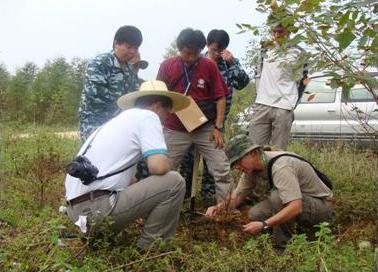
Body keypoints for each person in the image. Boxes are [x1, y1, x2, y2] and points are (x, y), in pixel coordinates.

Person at [65, 80, 190, 250]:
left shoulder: (117, 122)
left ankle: (99, 239)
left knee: (138, 185)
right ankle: (151, 250)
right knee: (174, 181)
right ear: (157, 107)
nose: (166, 120)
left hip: (77, 214)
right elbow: (158, 167)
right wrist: (167, 159)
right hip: (97, 210)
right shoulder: (149, 117)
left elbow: (128, 182)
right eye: (167, 113)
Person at [206, 134, 333, 251]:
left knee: (277, 198)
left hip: (320, 207)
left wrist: (264, 224)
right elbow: (237, 196)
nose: (238, 167)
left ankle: (281, 248)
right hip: (300, 203)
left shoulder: (281, 167)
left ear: (253, 153)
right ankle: (293, 232)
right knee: (255, 213)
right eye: (234, 164)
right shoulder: (251, 170)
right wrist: (219, 208)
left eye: (239, 161)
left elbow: (296, 207)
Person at [156, 28, 232, 202]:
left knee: (221, 167)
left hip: (204, 128)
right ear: (180, 48)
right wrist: (158, 124)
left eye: (196, 52)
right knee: (164, 168)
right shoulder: (167, 66)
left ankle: (226, 209)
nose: (191, 57)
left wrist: (218, 128)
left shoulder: (209, 66)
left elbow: (220, 98)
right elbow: (158, 98)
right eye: (187, 53)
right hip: (174, 128)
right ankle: (159, 206)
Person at [179, 29, 250, 200]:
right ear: (208, 46)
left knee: (214, 161)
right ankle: (185, 195)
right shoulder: (196, 60)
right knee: (187, 160)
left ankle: (209, 196)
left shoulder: (228, 64)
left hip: (216, 122)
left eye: (220, 49)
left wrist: (232, 62)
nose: (216, 53)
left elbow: (243, 83)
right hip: (192, 119)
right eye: (213, 49)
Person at [79, 25, 147, 142]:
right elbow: (95, 97)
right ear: (116, 44)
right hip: (95, 125)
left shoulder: (130, 70)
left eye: (135, 48)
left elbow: (133, 96)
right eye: (128, 47)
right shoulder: (100, 63)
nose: (132, 52)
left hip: (118, 126)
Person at [249, 22, 307, 150]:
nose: (276, 35)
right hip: (262, 104)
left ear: (289, 31)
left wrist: (292, 104)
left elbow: (302, 81)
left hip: (284, 106)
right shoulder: (265, 49)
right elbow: (258, 73)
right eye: (274, 32)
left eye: (280, 32)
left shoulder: (299, 52)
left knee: (278, 152)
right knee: (254, 150)